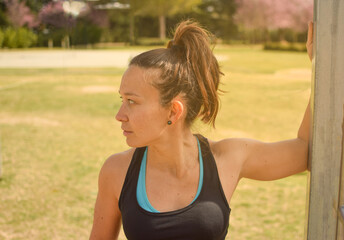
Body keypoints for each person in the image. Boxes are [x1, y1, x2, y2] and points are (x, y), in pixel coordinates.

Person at [89, 20, 313, 240]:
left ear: (173, 112)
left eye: (132, 101)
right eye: (122, 99)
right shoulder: (116, 171)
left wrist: (319, 67)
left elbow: (303, 151)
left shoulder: (228, 158)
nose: (119, 115)